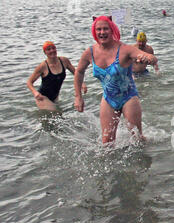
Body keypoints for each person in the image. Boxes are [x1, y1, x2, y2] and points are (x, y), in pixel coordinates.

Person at [74, 16, 158, 144]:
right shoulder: (89, 53)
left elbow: (145, 55)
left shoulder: (124, 49)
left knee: (137, 139)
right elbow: (79, 71)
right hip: (108, 99)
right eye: (99, 29)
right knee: (107, 143)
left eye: (105, 29)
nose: (102, 32)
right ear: (94, 32)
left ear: (112, 29)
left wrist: (149, 58)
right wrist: (78, 97)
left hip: (129, 97)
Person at [27, 41, 87, 111]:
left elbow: (76, 73)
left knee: (56, 118)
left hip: (55, 97)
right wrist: (35, 93)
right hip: (43, 98)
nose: (52, 50)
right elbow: (29, 82)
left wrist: (82, 83)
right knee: (57, 115)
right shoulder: (43, 66)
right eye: (48, 49)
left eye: (53, 48)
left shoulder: (64, 61)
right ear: (45, 52)